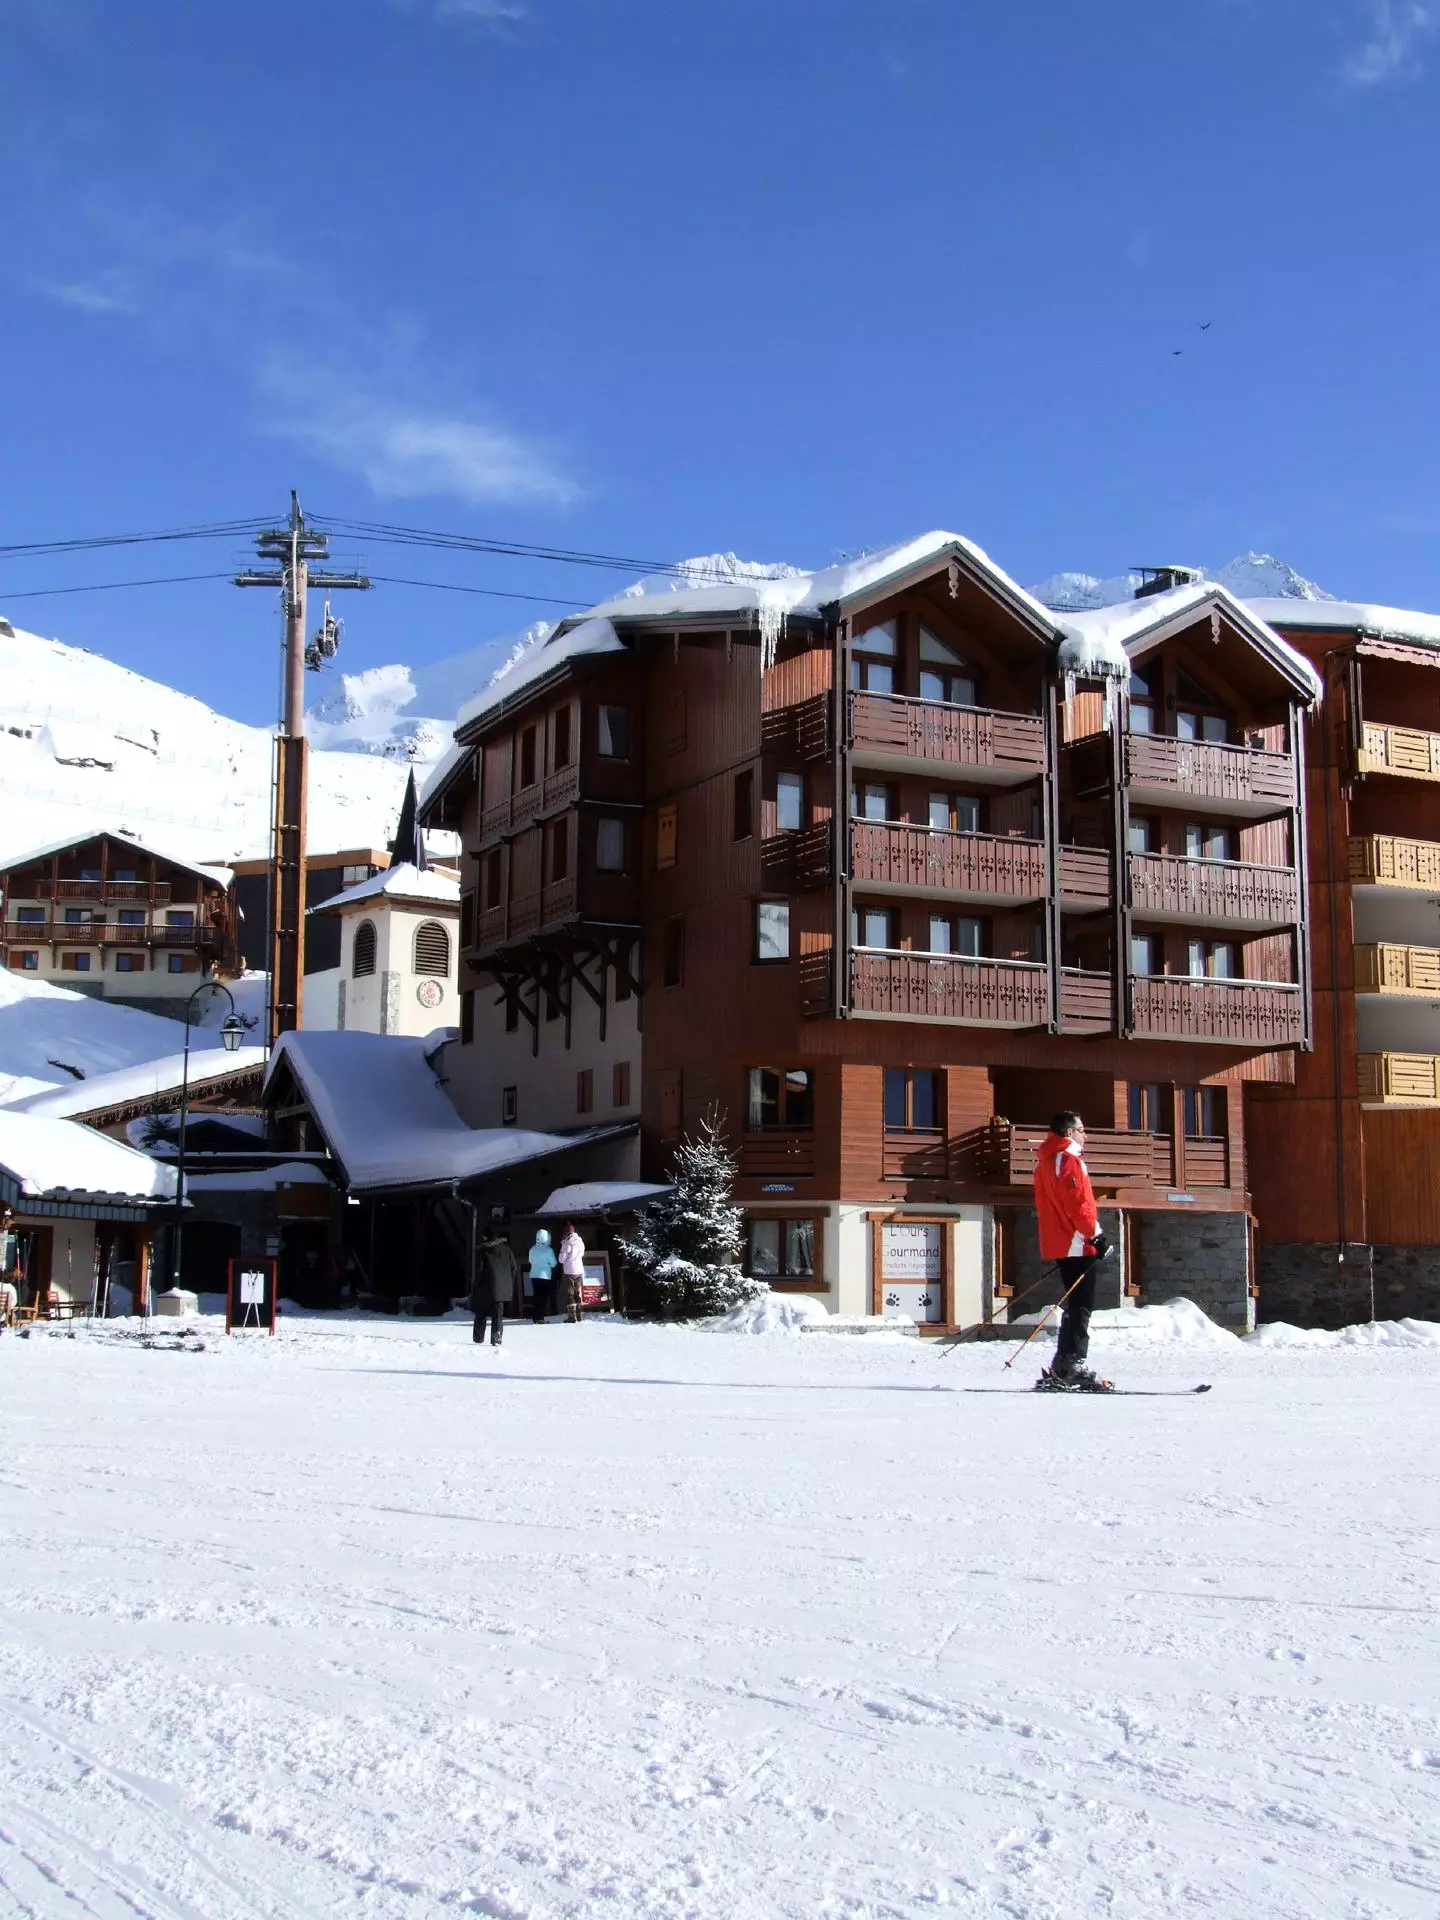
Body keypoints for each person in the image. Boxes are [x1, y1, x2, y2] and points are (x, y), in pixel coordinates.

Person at [1032, 1110, 1114, 1392]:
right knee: (1082, 1305)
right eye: (1081, 1130)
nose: (1085, 1135)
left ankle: (1064, 1363)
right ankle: (1072, 1364)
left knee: (1076, 1304)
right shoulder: (1067, 1159)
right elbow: (1078, 1204)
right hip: (1077, 1242)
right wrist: (1096, 1235)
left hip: (1062, 1242)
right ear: (1068, 1132)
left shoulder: (1045, 1161)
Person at [471, 1230, 518, 1350]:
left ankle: (478, 1338)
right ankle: (496, 1338)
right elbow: (514, 1268)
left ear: (485, 1236)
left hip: (485, 1288)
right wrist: (508, 1283)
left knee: (481, 1312)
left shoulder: (484, 1250)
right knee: (498, 1315)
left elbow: (480, 1270)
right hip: (502, 1289)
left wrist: (476, 1283)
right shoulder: (507, 1249)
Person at [526, 1227, 558, 1323]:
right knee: (543, 1298)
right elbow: (554, 1263)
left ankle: (535, 1316)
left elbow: (530, 1261)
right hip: (545, 1276)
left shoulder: (532, 1249)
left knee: (536, 1296)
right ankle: (540, 1317)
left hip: (533, 1275)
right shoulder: (548, 1250)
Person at [557, 1222, 585, 1323]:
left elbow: (561, 1259)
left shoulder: (566, 1243)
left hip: (569, 1271)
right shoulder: (580, 1242)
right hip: (579, 1270)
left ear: (566, 1232)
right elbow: (582, 1254)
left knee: (570, 1294)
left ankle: (572, 1317)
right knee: (577, 1293)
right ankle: (579, 1315)